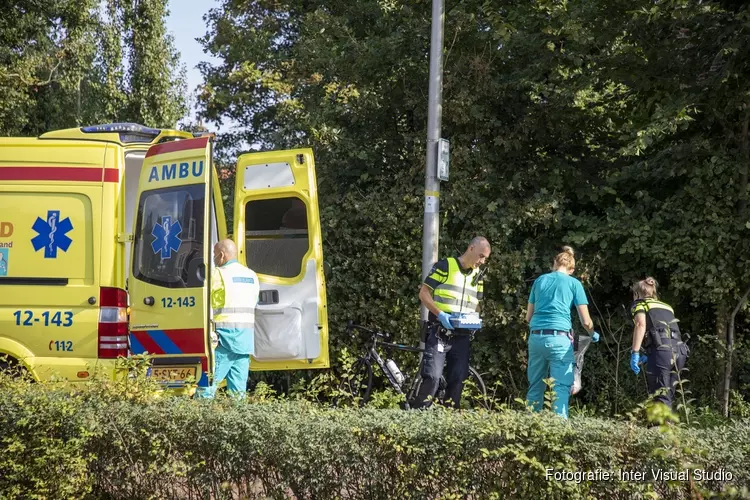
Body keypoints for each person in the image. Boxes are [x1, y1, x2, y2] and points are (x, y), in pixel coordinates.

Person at [412, 236, 490, 409]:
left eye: (485, 258)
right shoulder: (445, 266)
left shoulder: (478, 276)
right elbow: (424, 293)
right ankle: (418, 415)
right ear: (471, 248)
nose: (482, 261)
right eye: (481, 256)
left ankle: (448, 422)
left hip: (462, 335)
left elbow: (477, 304)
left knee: (458, 379)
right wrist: (440, 315)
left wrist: (475, 320)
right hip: (439, 331)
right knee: (432, 377)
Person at [525, 246, 599, 419]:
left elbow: (528, 317)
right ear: (572, 269)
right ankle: (558, 434)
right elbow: (586, 321)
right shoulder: (574, 284)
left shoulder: (540, 281)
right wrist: (592, 333)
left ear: (554, 263)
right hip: (559, 340)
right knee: (560, 389)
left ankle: (528, 429)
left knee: (535, 386)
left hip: (536, 337)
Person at [196, 239, 260, 399]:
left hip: (224, 340)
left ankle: (196, 422)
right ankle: (238, 423)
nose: (214, 258)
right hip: (245, 341)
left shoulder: (218, 274)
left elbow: (201, 300)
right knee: (238, 394)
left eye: (214, 255)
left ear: (221, 255)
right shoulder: (251, 275)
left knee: (207, 387)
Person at [629, 277, 688, 409]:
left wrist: (635, 352)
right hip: (680, 350)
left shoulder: (640, 304)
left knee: (660, 393)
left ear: (636, 294)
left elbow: (640, 324)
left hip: (662, 352)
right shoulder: (667, 306)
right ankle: (668, 425)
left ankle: (660, 427)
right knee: (669, 394)